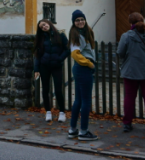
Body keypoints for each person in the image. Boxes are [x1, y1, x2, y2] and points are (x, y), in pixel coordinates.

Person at [117, 12, 145, 134]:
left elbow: (120, 53)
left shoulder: (126, 36)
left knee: (129, 97)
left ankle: (127, 124)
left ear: (130, 23)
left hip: (131, 71)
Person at [68, 10, 98, 141]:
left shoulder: (84, 33)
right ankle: (83, 131)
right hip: (83, 68)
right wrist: (89, 64)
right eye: (77, 20)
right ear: (74, 23)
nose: (80, 22)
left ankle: (73, 130)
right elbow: (75, 54)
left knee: (79, 100)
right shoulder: (76, 35)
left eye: (82, 19)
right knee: (85, 101)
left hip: (80, 69)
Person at [33, 19, 68, 123]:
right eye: (41, 27)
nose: (44, 27)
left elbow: (67, 49)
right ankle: (48, 112)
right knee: (45, 90)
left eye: (44, 24)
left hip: (56, 66)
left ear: (48, 23)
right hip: (44, 66)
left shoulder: (60, 35)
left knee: (58, 90)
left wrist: (60, 58)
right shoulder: (41, 38)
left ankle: (62, 112)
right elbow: (38, 55)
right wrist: (36, 69)